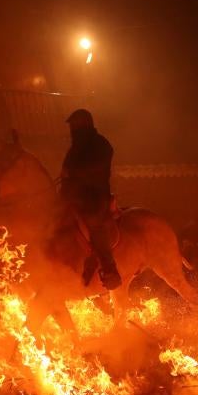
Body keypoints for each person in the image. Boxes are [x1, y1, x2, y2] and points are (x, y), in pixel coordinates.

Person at [58, 109, 122, 290]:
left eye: (75, 126)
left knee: (94, 222)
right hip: (73, 197)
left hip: (95, 197)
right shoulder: (75, 148)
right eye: (72, 127)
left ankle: (109, 270)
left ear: (84, 124)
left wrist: (74, 173)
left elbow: (97, 168)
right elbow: (67, 169)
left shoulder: (101, 145)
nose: (72, 130)